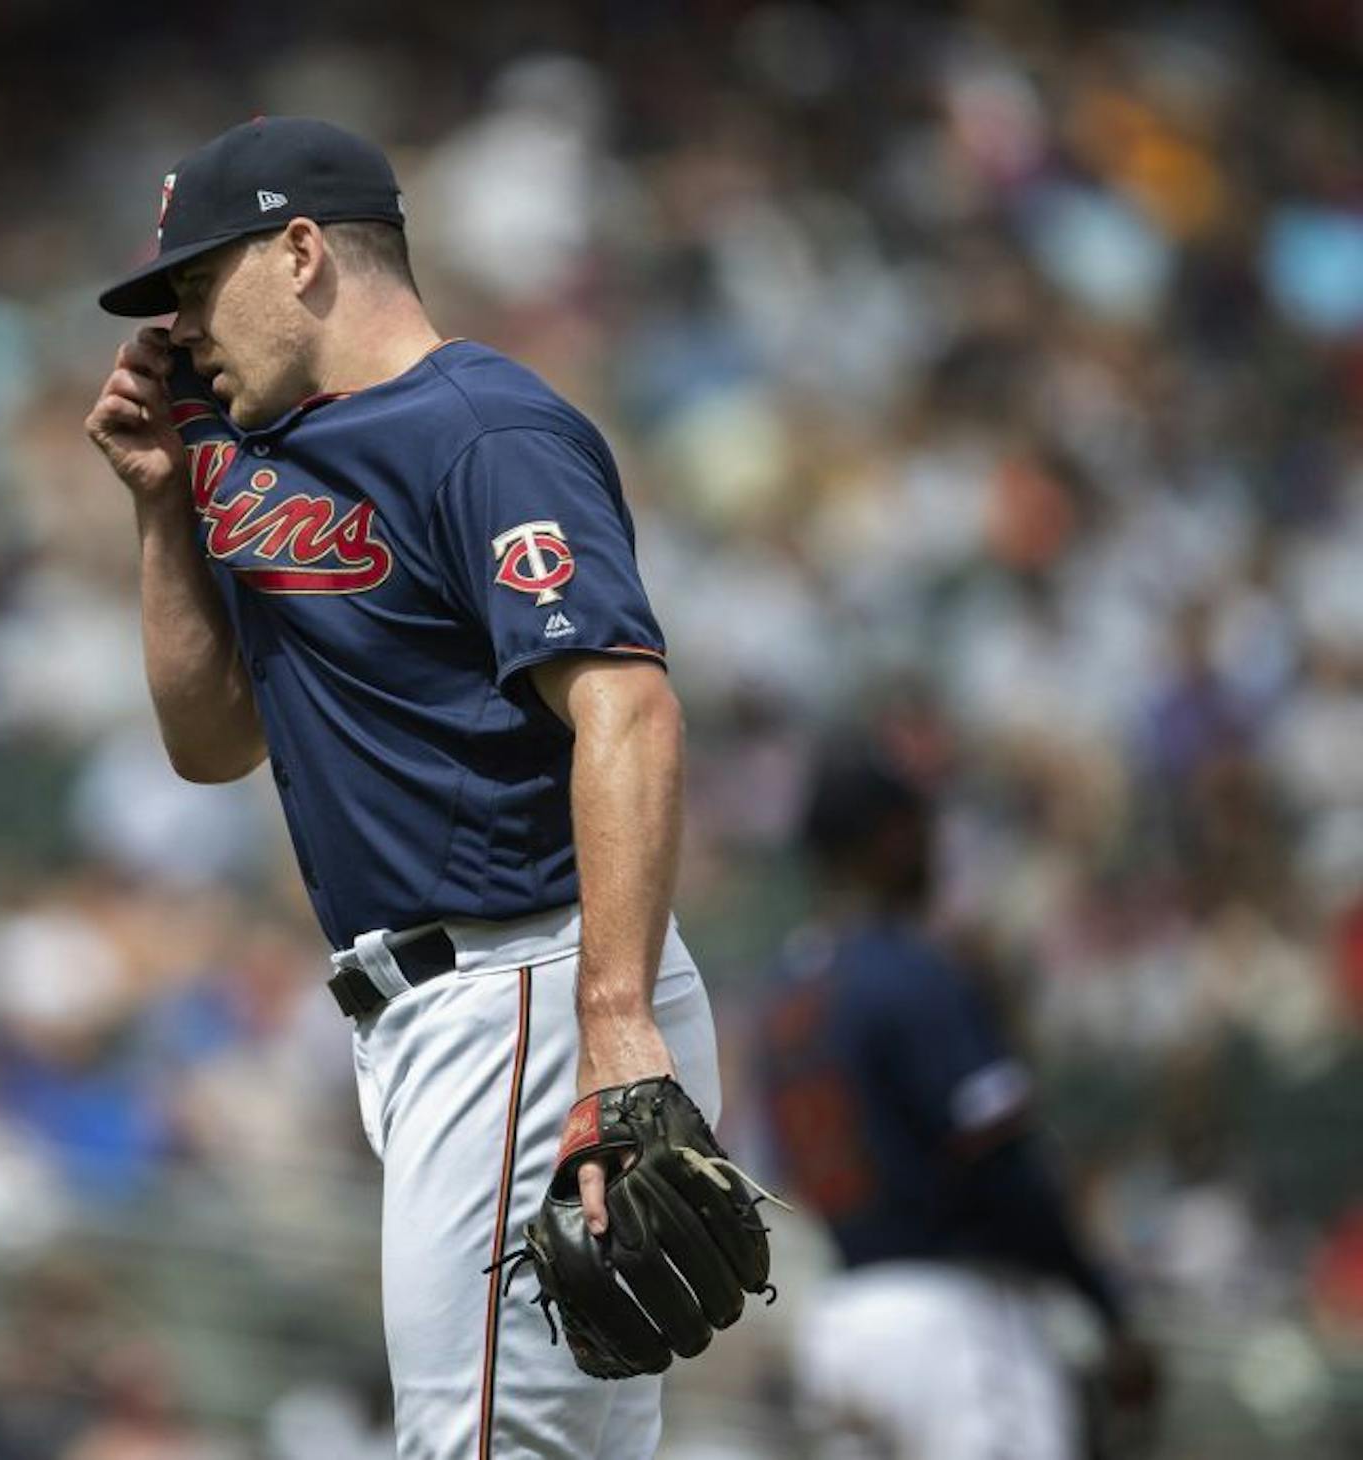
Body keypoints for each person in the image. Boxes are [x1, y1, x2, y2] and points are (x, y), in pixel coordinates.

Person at [85, 116, 726, 1458]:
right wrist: (161, 508)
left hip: (528, 982)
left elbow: (628, 706)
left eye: (199, 286)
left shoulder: (484, 430)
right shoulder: (268, 455)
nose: (183, 329)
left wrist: (612, 1024)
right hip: (447, 1012)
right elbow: (210, 745)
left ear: (304, 250)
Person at [757, 740, 1160, 1459]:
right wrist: (1105, 1308)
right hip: (953, 1329)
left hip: (840, 1323)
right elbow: (1004, 1165)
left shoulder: (787, 997)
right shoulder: (911, 971)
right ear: (891, 837)